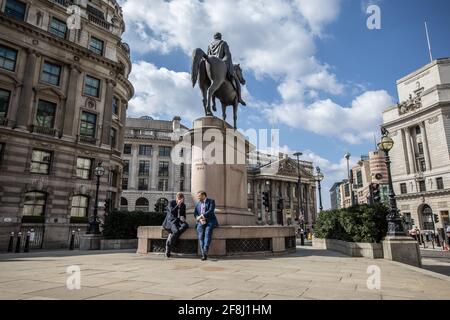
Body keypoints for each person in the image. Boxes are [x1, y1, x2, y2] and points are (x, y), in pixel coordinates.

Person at [207, 32, 246, 106]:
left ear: (214, 37)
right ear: (220, 37)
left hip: (210, 67)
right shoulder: (223, 43)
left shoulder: (209, 45)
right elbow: (228, 56)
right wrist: (222, 63)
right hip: (222, 65)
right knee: (237, 82)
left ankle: (213, 102)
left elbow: (207, 57)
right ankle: (240, 98)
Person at [193, 191, 218, 261]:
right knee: (200, 236)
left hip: (210, 221)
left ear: (204, 195)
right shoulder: (198, 203)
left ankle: (205, 249)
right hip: (201, 222)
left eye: (199, 196)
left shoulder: (211, 201)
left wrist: (202, 215)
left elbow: (211, 210)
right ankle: (203, 253)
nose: (198, 198)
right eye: (197, 196)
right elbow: (195, 213)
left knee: (207, 234)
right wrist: (198, 218)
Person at [162, 193, 189, 258]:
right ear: (176, 198)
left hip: (179, 221)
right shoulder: (171, 202)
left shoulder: (183, 205)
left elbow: (183, 214)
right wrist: (177, 205)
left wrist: (183, 218)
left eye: (181, 199)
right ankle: (169, 246)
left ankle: (170, 240)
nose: (180, 200)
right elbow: (172, 212)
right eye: (179, 199)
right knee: (176, 231)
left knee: (186, 225)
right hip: (171, 221)